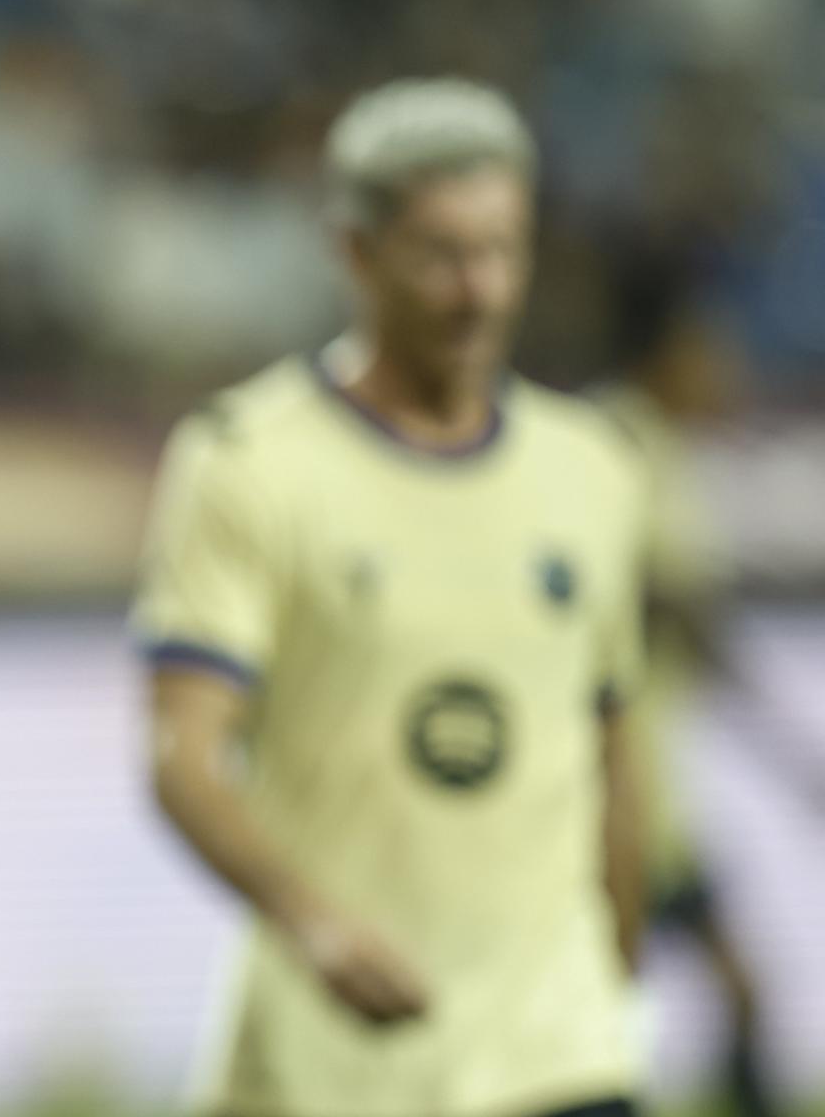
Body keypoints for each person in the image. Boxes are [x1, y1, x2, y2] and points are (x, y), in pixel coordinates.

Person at [134, 79, 647, 1117]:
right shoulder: (249, 461)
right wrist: (311, 920)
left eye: (503, 249)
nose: (480, 288)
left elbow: (611, 748)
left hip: (561, 1048)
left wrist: (616, 973)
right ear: (357, 252)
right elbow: (182, 754)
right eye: (443, 254)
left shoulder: (591, 466)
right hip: (338, 1062)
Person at [598, 290, 781, 1117]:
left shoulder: (661, 450)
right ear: (667, 351)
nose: (723, 372)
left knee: (735, 988)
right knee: (619, 999)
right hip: (604, 787)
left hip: (650, 786)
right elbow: (649, 591)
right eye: (708, 350)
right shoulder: (615, 441)